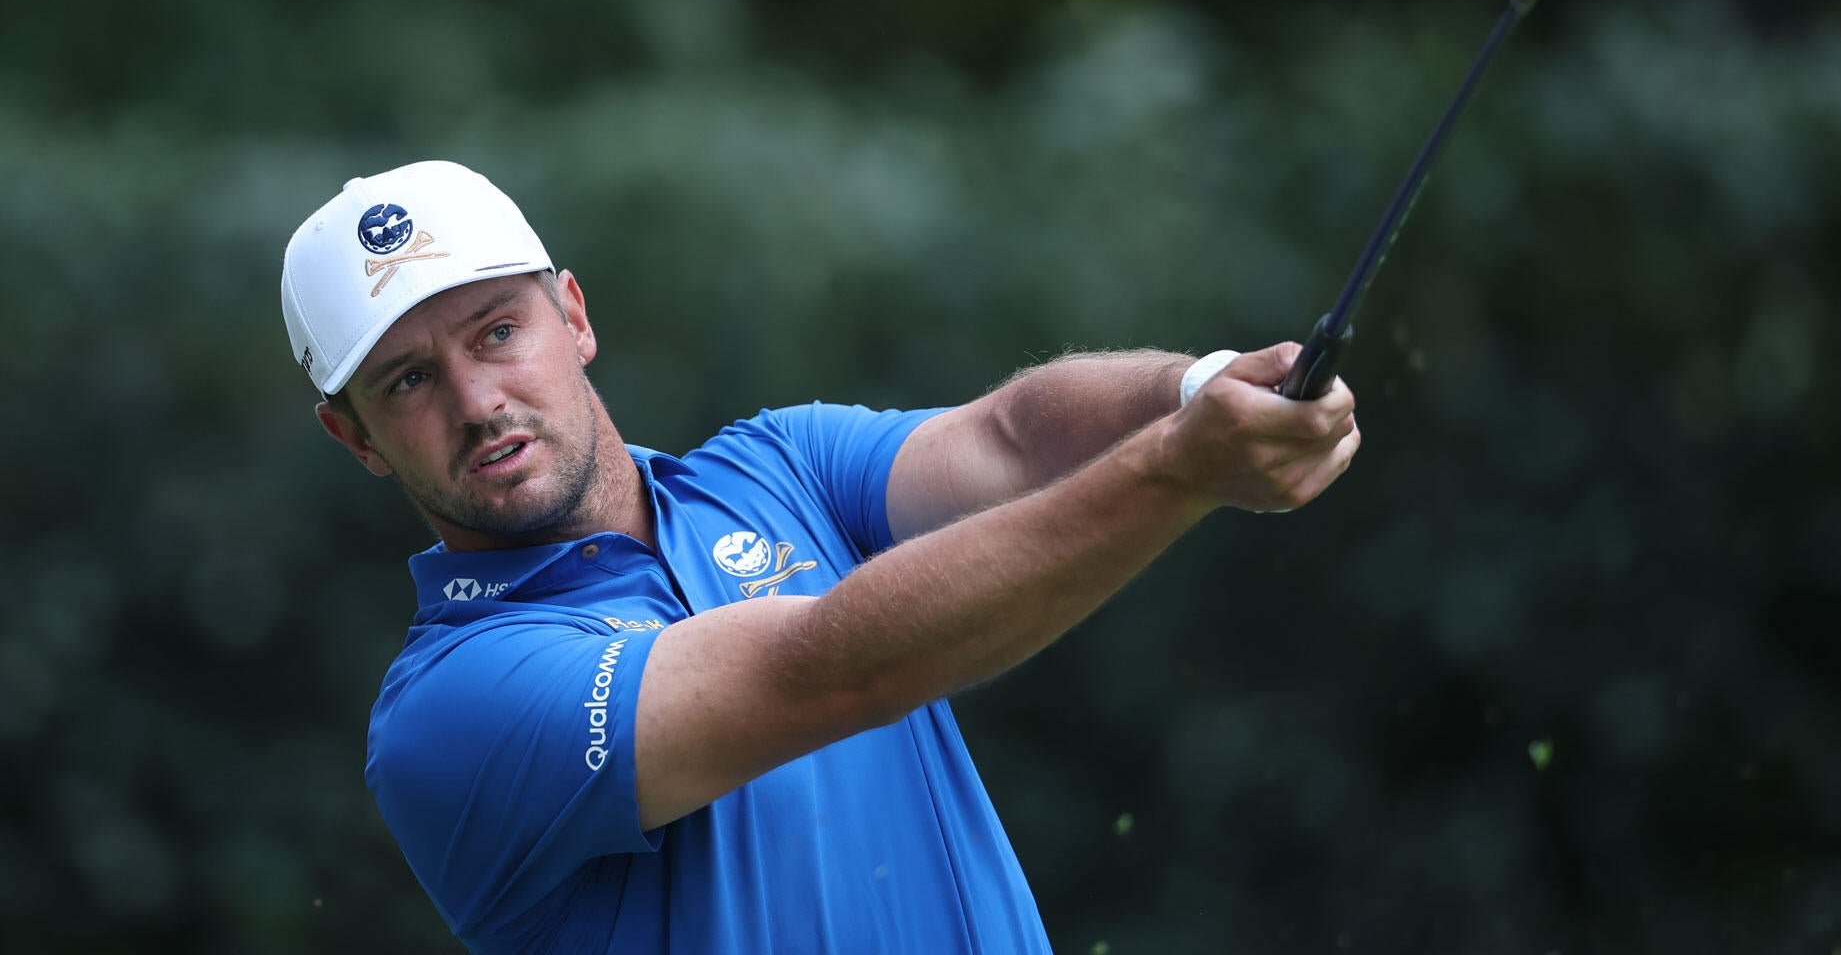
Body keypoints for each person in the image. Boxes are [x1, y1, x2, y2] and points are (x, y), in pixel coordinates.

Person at [281, 160, 1361, 954]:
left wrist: (1197, 389)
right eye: (409, 381)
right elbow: (834, 672)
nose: (478, 400)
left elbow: (1014, 437)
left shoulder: (780, 463)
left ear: (573, 316)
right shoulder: (449, 707)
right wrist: (1175, 468)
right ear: (355, 437)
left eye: (497, 331)